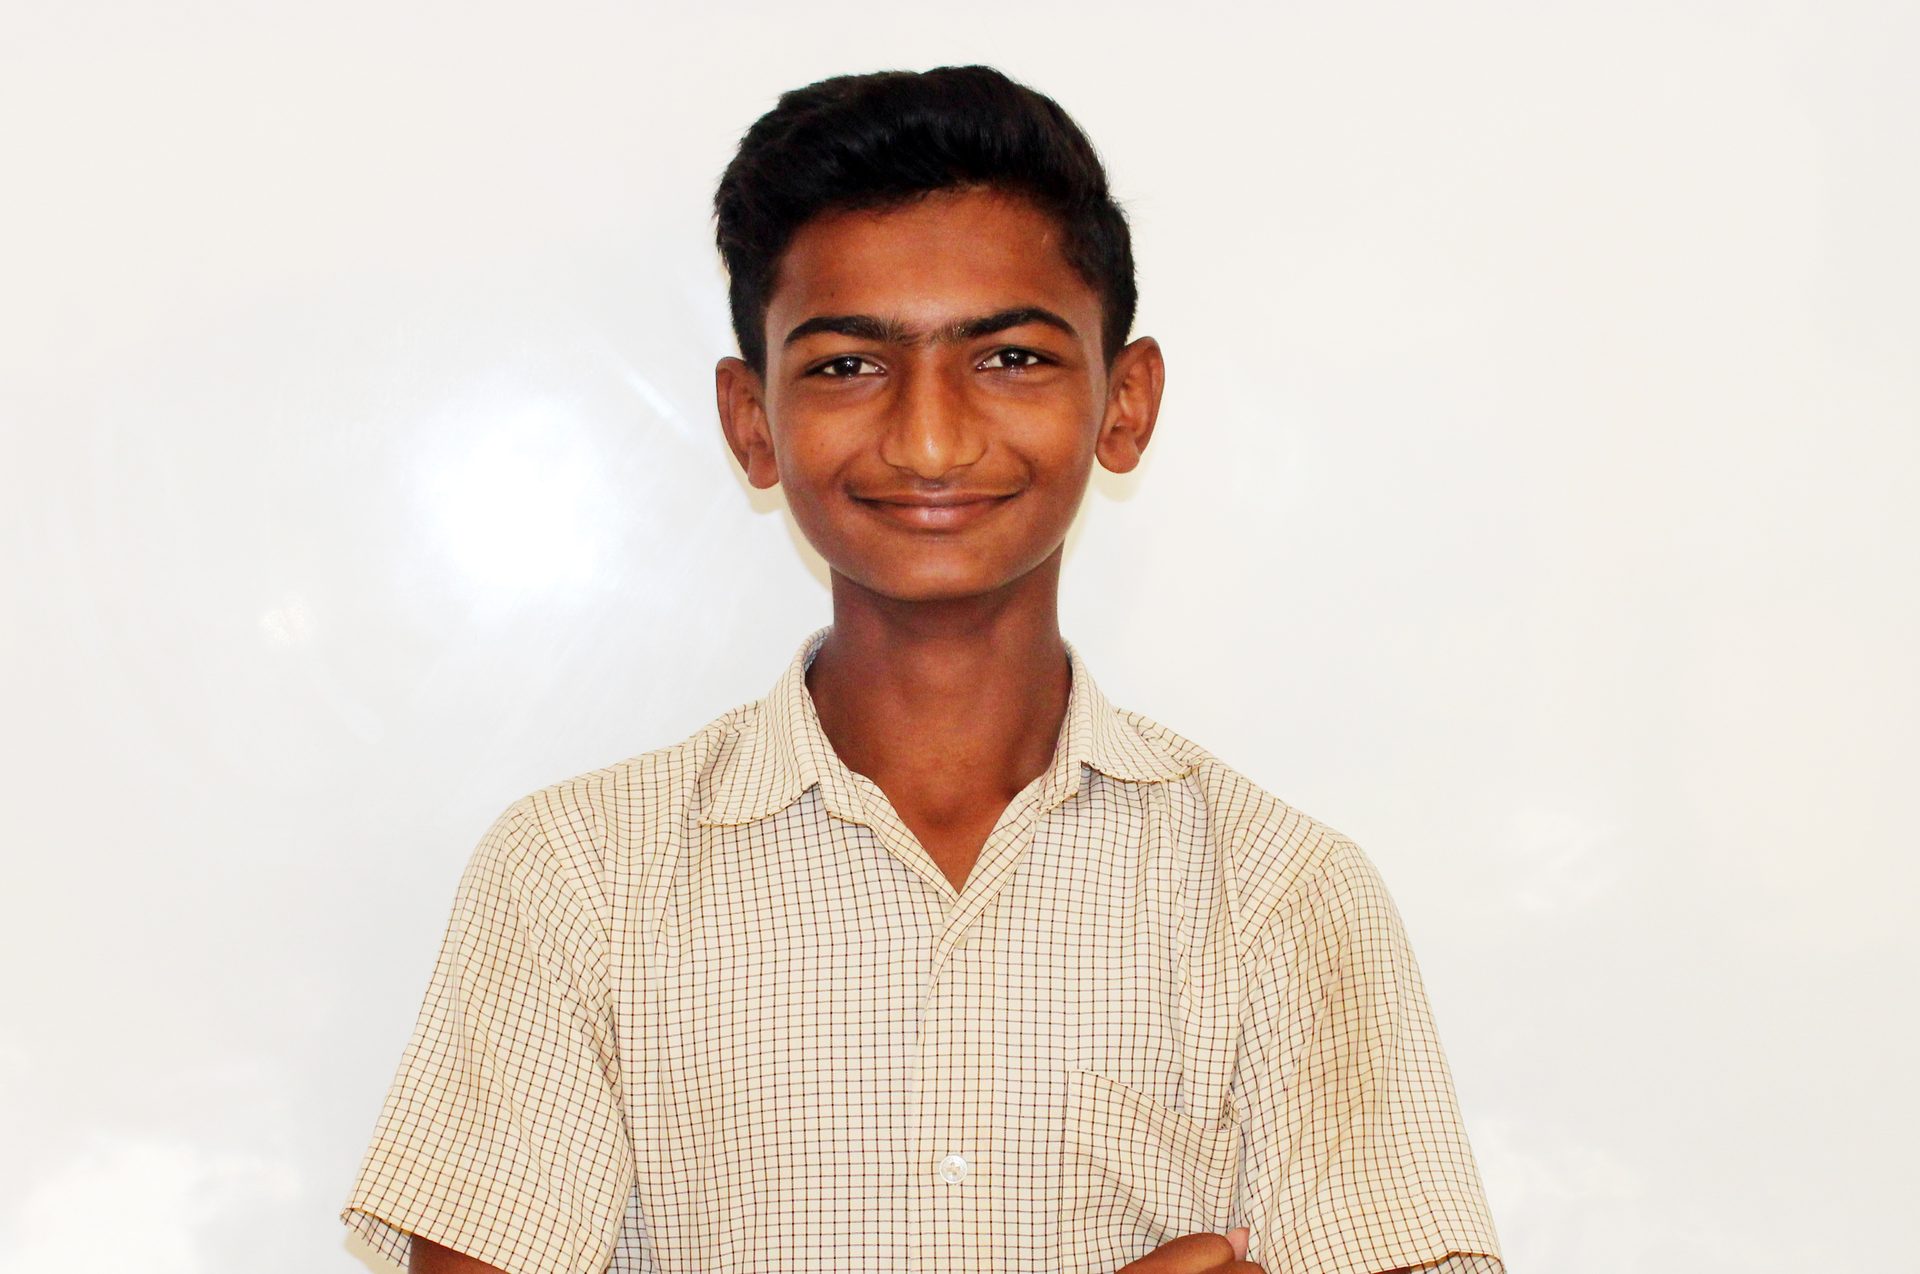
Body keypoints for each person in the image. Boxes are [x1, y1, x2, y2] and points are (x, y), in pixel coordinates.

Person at [339, 64, 1506, 1274]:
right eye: (850, 364)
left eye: (1009, 358)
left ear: (1126, 402)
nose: (933, 438)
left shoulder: (1279, 897)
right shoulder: (581, 879)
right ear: (753, 422)